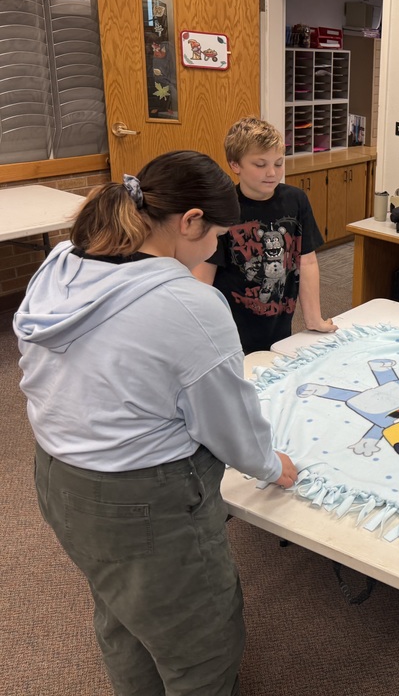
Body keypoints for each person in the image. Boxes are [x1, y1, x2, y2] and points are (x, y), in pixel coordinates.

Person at [15, 150, 299, 695]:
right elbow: (227, 421)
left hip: (56, 474)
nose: (217, 245)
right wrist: (270, 465)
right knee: (201, 643)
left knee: (122, 610)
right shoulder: (189, 303)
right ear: (190, 221)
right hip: (142, 498)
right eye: (216, 232)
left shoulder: (62, 261)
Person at [195, 116, 337, 353]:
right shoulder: (221, 207)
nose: (272, 172)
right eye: (260, 165)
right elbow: (203, 278)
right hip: (230, 326)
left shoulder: (296, 200)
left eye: (279, 163)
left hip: (279, 319)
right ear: (235, 165)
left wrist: (314, 318)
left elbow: (307, 260)